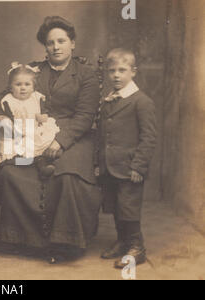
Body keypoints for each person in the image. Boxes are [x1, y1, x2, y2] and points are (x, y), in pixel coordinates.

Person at [0, 16, 102, 263]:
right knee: (11, 171)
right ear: (45, 46)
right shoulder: (33, 70)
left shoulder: (86, 75)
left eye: (61, 41)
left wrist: (62, 141)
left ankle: (65, 243)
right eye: (50, 42)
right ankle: (26, 239)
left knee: (66, 175)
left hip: (74, 136)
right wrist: (2, 114)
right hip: (34, 134)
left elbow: (85, 116)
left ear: (72, 43)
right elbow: (6, 94)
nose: (56, 47)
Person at [95, 48, 157, 268]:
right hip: (110, 166)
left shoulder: (141, 101)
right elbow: (103, 134)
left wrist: (139, 166)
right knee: (115, 206)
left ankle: (136, 247)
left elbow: (149, 137)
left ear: (134, 72)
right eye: (112, 71)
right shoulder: (110, 100)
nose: (116, 75)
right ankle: (122, 241)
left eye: (122, 70)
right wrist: (99, 162)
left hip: (129, 167)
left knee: (129, 208)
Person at [0, 62, 60, 178]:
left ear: (33, 86)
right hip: (16, 133)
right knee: (14, 153)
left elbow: (45, 111)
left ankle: (42, 166)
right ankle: (22, 163)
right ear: (11, 87)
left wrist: (43, 116)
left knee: (40, 148)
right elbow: (5, 117)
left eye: (27, 84)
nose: (23, 88)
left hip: (34, 129)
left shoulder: (37, 97)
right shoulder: (8, 100)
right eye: (18, 84)